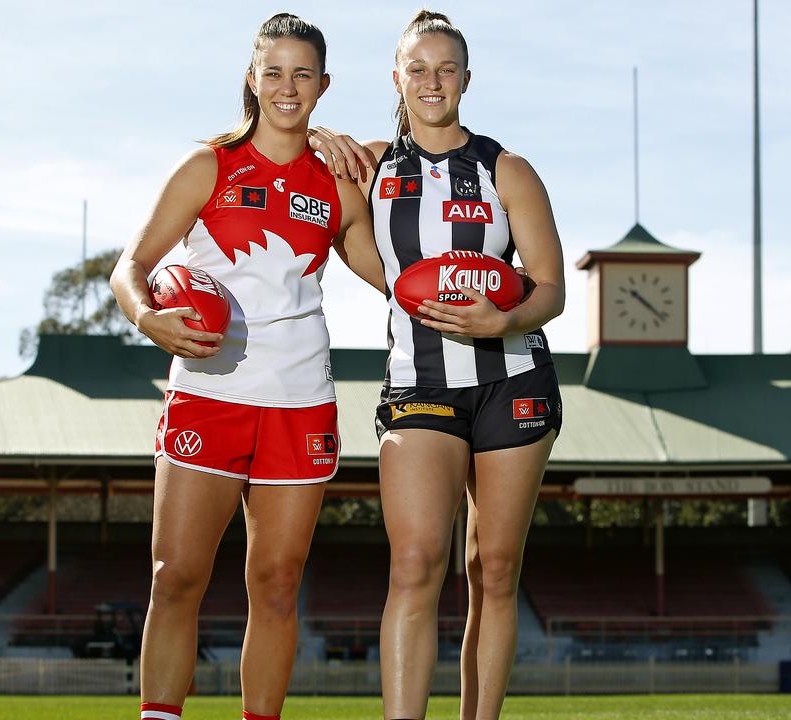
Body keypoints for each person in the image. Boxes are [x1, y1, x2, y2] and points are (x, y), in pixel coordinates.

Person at [110, 14, 381, 720]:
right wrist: (146, 316)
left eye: (302, 74)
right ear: (251, 78)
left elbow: (391, 277)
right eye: (273, 71)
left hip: (300, 401)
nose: (287, 87)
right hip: (209, 392)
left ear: (324, 86)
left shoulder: (340, 185)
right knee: (176, 578)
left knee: (278, 581)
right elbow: (130, 266)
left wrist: (381, 158)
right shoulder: (207, 166)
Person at [309, 11, 565, 720]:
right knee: (417, 563)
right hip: (420, 385)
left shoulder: (505, 169)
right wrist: (320, 141)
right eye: (417, 68)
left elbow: (551, 286)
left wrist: (503, 319)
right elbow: (362, 253)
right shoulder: (368, 166)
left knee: (495, 568)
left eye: (446, 68)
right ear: (396, 77)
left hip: (512, 379)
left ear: (466, 79)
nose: (431, 81)